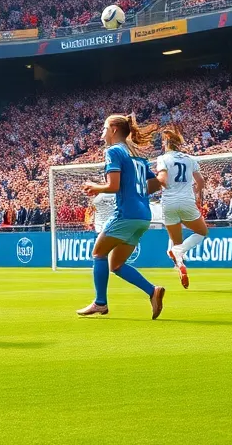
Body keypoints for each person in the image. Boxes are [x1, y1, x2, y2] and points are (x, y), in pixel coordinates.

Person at [76, 114, 167, 319]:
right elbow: (153, 185)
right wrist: (135, 189)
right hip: (143, 215)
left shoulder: (114, 151)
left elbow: (113, 186)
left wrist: (95, 187)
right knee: (116, 265)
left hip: (126, 213)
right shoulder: (136, 156)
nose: (102, 133)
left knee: (99, 254)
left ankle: (100, 303)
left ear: (114, 130)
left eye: (104, 128)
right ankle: (153, 291)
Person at [157, 125, 208, 289]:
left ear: (165, 143)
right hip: (187, 200)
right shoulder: (189, 159)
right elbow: (200, 182)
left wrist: (151, 182)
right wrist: (196, 195)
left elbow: (163, 180)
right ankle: (179, 255)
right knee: (202, 232)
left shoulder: (163, 159)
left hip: (169, 203)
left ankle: (178, 262)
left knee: (176, 241)